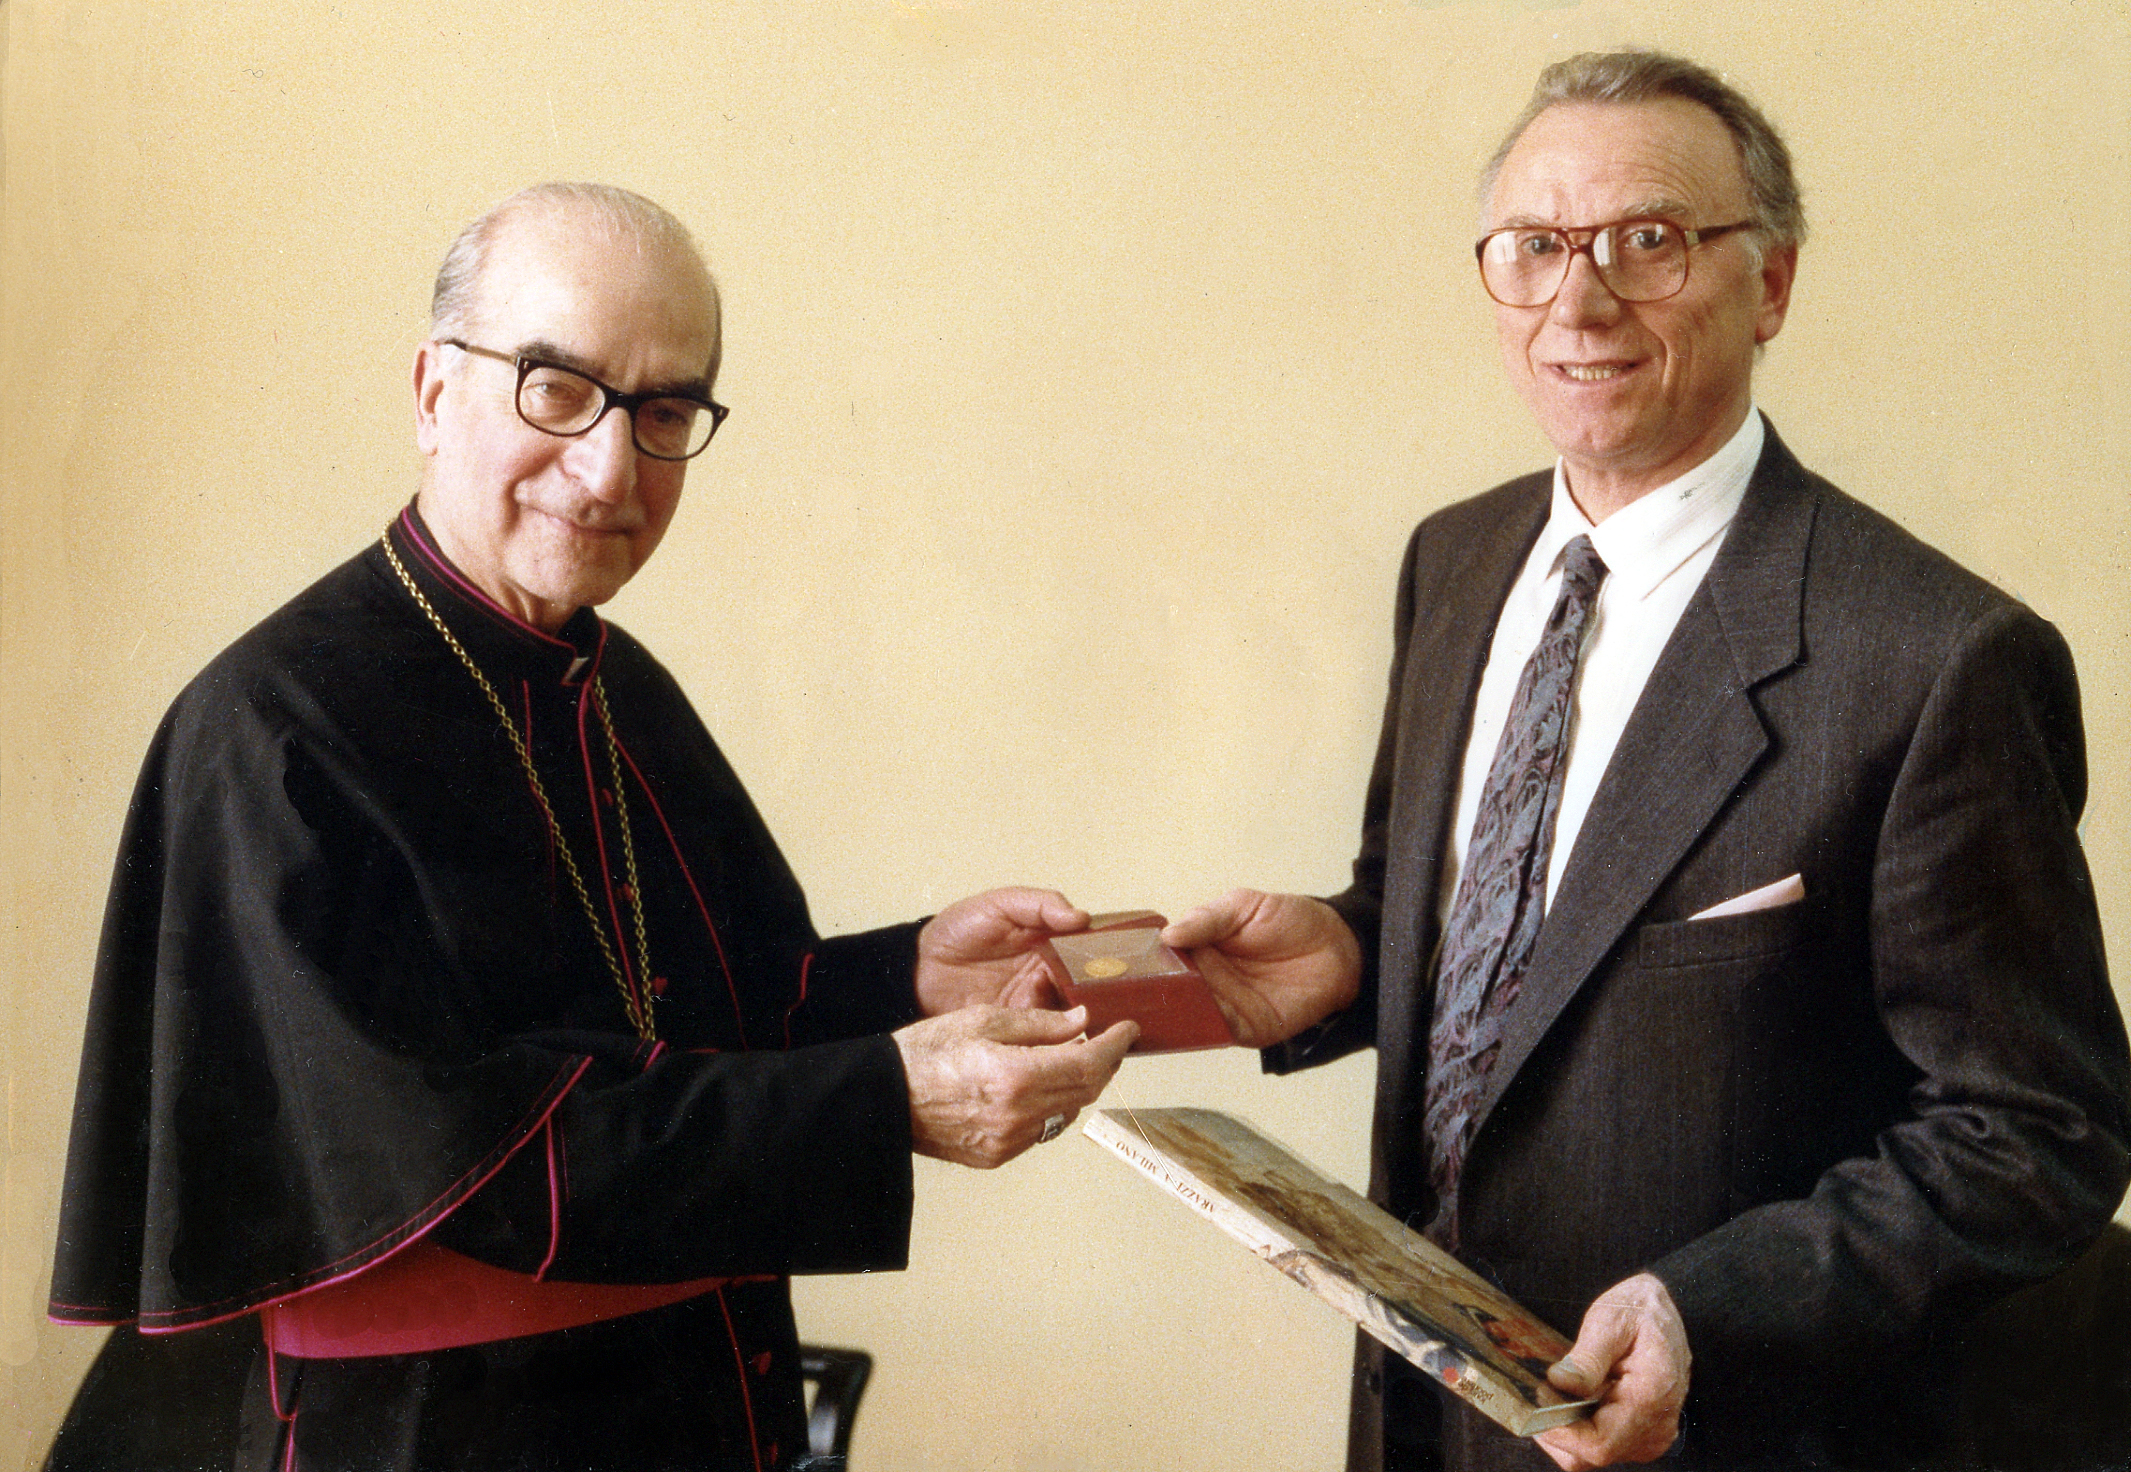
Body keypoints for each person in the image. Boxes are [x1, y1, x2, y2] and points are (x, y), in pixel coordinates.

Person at [43, 182, 1136, 1472]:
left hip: (701, 1403)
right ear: (433, 391)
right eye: (556, 388)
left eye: (664, 412)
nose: (610, 468)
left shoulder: (620, 686)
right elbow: (470, 1162)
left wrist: (908, 979)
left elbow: (709, 1017)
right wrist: (881, 1098)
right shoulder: (273, 729)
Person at [1164, 51, 2131, 1472]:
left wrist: (1709, 1315)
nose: (1580, 300)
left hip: (1723, 1436)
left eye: (1648, 241)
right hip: (1426, 1421)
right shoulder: (1459, 561)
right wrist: (1356, 954)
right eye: (1535, 246)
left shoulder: (1936, 657)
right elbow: (1528, 939)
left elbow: (2037, 1129)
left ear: (1771, 284)